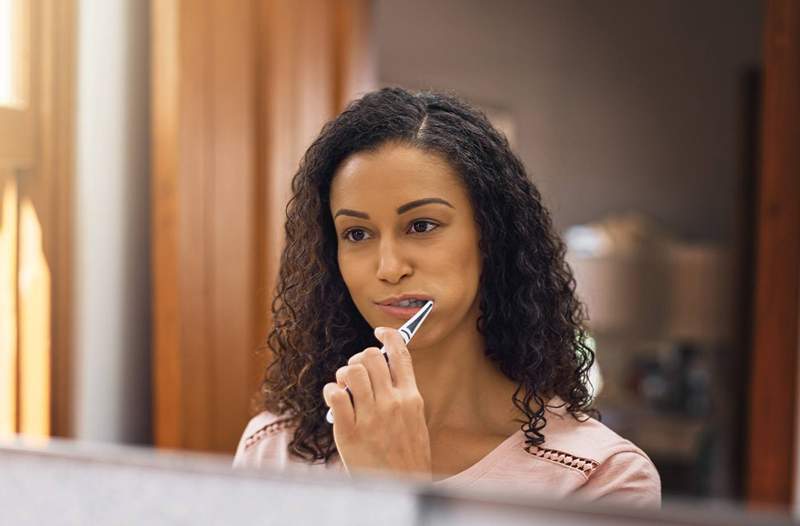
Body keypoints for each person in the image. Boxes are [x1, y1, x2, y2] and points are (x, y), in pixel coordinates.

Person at [233, 87, 661, 508]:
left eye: (421, 226)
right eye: (357, 234)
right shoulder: (273, 448)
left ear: (490, 237)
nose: (388, 268)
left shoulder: (600, 479)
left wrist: (395, 493)